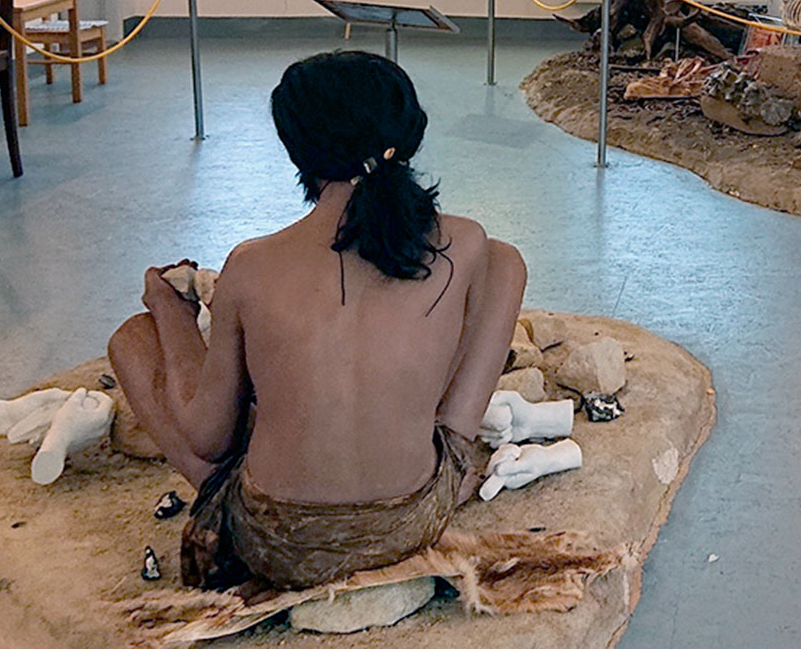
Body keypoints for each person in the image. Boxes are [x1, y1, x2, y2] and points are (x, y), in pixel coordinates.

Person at [106, 50, 530, 590]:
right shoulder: (464, 241)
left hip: (277, 543)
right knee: (506, 262)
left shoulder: (251, 264)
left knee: (132, 342)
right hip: (414, 519)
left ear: (296, 149)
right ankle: (456, 456)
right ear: (410, 129)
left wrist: (171, 312)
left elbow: (206, 437)